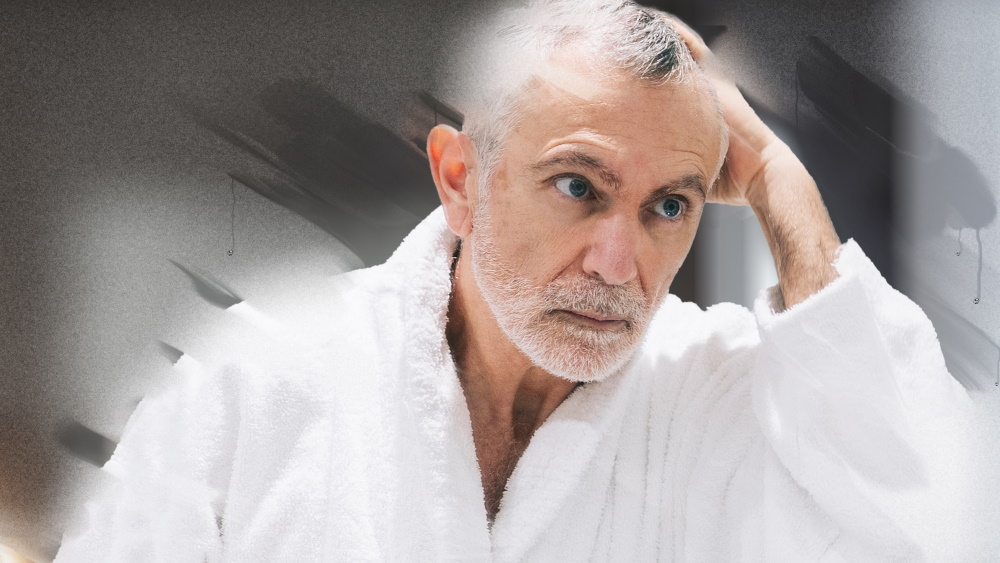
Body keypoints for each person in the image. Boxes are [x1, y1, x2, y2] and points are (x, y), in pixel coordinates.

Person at [55, 1, 970, 561]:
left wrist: (779, 180)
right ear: (460, 178)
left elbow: (938, 519)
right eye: (578, 186)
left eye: (669, 206)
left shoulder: (711, 394)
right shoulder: (255, 382)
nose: (621, 266)